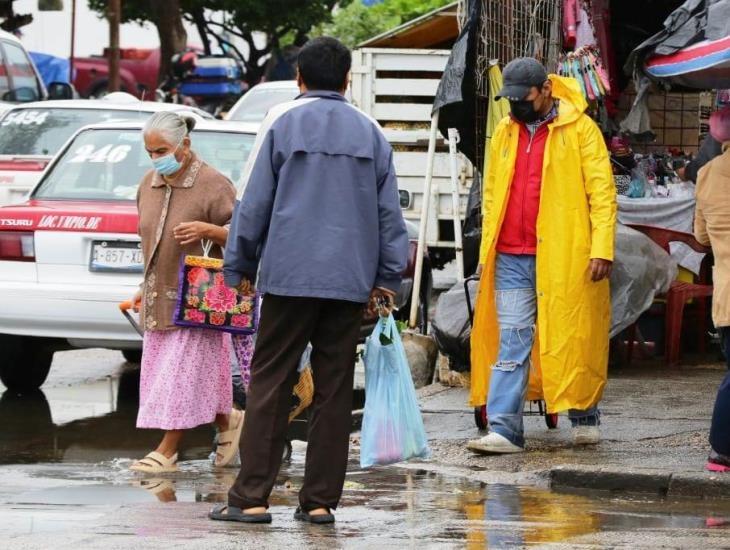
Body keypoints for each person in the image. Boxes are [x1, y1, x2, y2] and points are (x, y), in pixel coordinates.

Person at [209, 36, 408, 524]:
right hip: (349, 282)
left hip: (289, 278)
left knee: (271, 381)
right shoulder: (371, 134)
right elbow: (390, 216)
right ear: (346, 81)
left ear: (299, 78)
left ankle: (251, 498)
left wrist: (238, 267)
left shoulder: (282, 124)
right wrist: (387, 279)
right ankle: (319, 503)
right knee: (334, 388)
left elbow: (253, 204)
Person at [467, 57, 616, 455]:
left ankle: (584, 414)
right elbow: (492, 194)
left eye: (523, 98)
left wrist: (602, 247)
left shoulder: (582, 130)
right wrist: (486, 252)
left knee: (572, 335)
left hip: (567, 256)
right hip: (512, 255)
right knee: (512, 340)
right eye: (510, 99)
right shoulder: (504, 131)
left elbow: (602, 195)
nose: (515, 105)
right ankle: (504, 429)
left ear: (546, 90)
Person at [129, 111, 243, 473]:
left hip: (200, 299)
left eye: (161, 150)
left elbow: (245, 237)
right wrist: (140, 288)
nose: (155, 158)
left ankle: (167, 450)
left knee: (179, 377)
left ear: (185, 145)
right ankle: (228, 423)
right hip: (158, 298)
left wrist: (208, 230)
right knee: (184, 375)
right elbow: (149, 244)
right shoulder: (148, 184)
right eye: (149, 152)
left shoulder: (213, 184)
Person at [694, 106, 730, 473]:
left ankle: (722, 453)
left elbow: (700, 237)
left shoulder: (706, 173)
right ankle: (721, 449)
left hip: (726, 296)